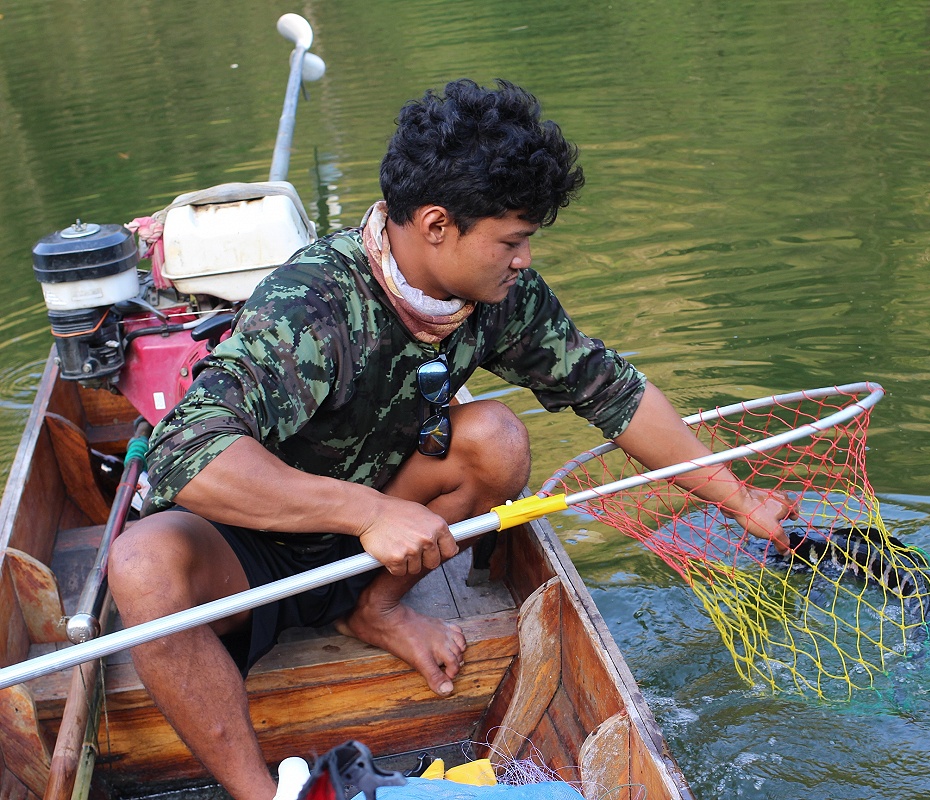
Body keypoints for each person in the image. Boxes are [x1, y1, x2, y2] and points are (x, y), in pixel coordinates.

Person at [108, 79, 793, 800]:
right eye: (513, 240)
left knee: (496, 437)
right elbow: (185, 450)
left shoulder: (500, 299)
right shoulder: (312, 302)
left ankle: (373, 608)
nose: (524, 259)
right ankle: (258, 792)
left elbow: (612, 391)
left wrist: (738, 498)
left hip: (386, 533)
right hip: (256, 543)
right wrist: (366, 514)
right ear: (437, 225)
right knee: (142, 565)